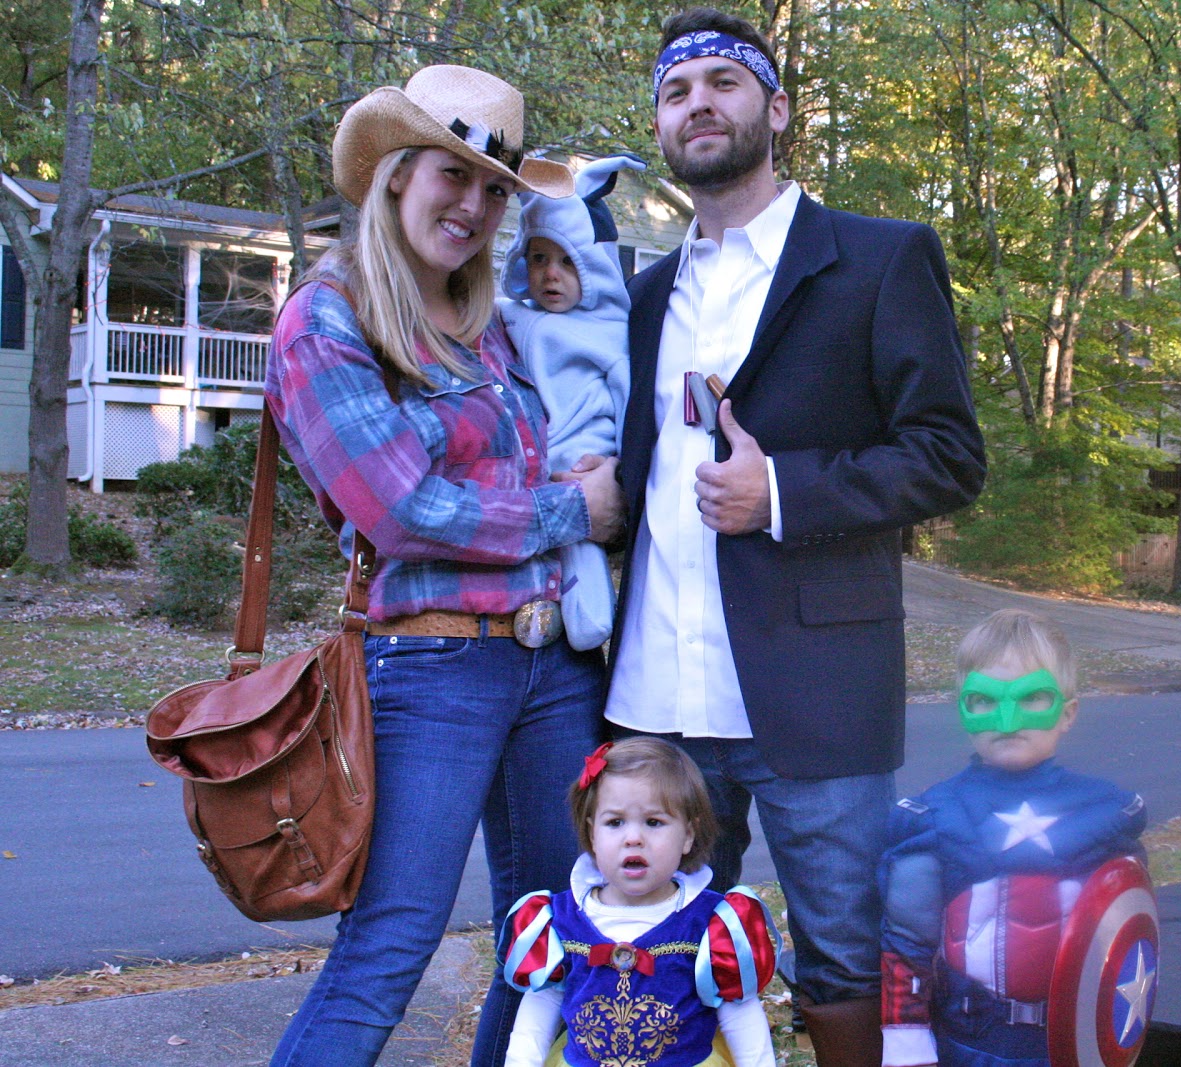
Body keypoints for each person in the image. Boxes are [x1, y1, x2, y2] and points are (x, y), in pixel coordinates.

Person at [597, 8, 986, 1064]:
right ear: (660, 126)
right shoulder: (641, 296)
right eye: (676, 92)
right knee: (652, 955)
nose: (698, 105)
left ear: (774, 109)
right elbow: (639, 471)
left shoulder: (879, 259)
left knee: (845, 960)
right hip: (655, 697)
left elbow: (949, 455)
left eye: (722, 83)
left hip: (816, 696)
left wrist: (781, 491)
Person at [262, 65, 624, 1067]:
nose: (474, 206)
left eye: (496, 189)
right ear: (394, 173)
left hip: (555, 664)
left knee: (549, 940)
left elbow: (540, 451)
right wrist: (576, 510)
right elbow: (402, 508)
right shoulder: (327, 320)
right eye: (452, 175)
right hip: (432, 665)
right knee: (388, 946)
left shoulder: (491, 325)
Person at [877, 609, 1148, 1067]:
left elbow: (1129, 936)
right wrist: (907, 1040)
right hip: (971, 1041)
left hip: (1078, 1042)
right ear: (963, 710)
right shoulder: (934, 818)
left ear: (1068, 712)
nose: (1006, 720)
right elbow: (907, 943)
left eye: (1032, 697)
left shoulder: (1107, 814)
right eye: (985, 700)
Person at [499, 738, 780, 1067]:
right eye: (615, 822)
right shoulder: (559, 920)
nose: (633, 838)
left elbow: (739, 1014)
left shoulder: (712, 924)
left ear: (688, 835)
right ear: (592, 834)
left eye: (654, 822)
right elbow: (540, 1006)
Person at [499, 154, 646, 650]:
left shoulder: (608, 331)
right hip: (531, 462)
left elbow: (630, 401)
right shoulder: (510, 316)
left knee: (580, 550)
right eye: (538, 259)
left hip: (584, 455)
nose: (551, 275)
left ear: (593, 265)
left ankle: (591, 620)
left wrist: (622, 464)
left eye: (567, 261)